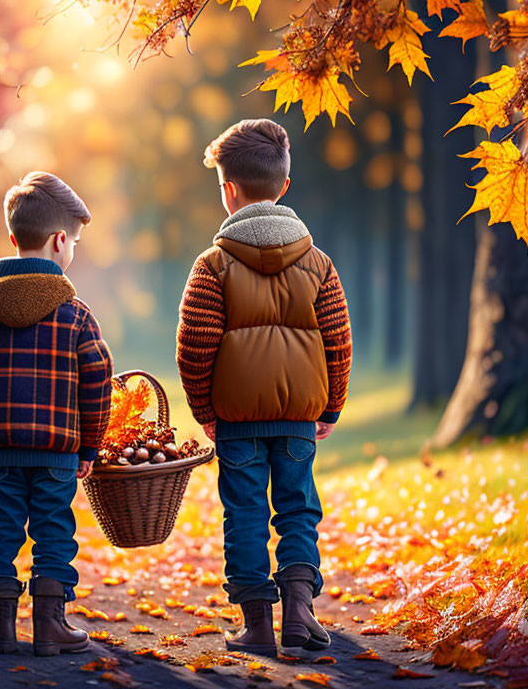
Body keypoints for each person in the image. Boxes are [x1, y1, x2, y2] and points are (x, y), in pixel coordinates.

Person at [176, 119, 352, 657]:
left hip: (236, 421)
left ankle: (256, 623)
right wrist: (331, 407)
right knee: (298, 508)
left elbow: (194, 348)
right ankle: (300, 611)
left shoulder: (212, 265)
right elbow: (338, 342)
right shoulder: (319, 264)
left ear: (229, 191)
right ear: (285, 186)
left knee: (245, 512)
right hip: (299, 415)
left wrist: (205, 409)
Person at [0, 171, 113, 656]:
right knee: (54, 532)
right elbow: (98, 381)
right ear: (60, 241)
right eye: (74, 242)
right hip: (57, 453)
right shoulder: (76, 314)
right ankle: (51, 627)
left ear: (14, 237)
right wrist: (90, 445)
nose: (73, 250)